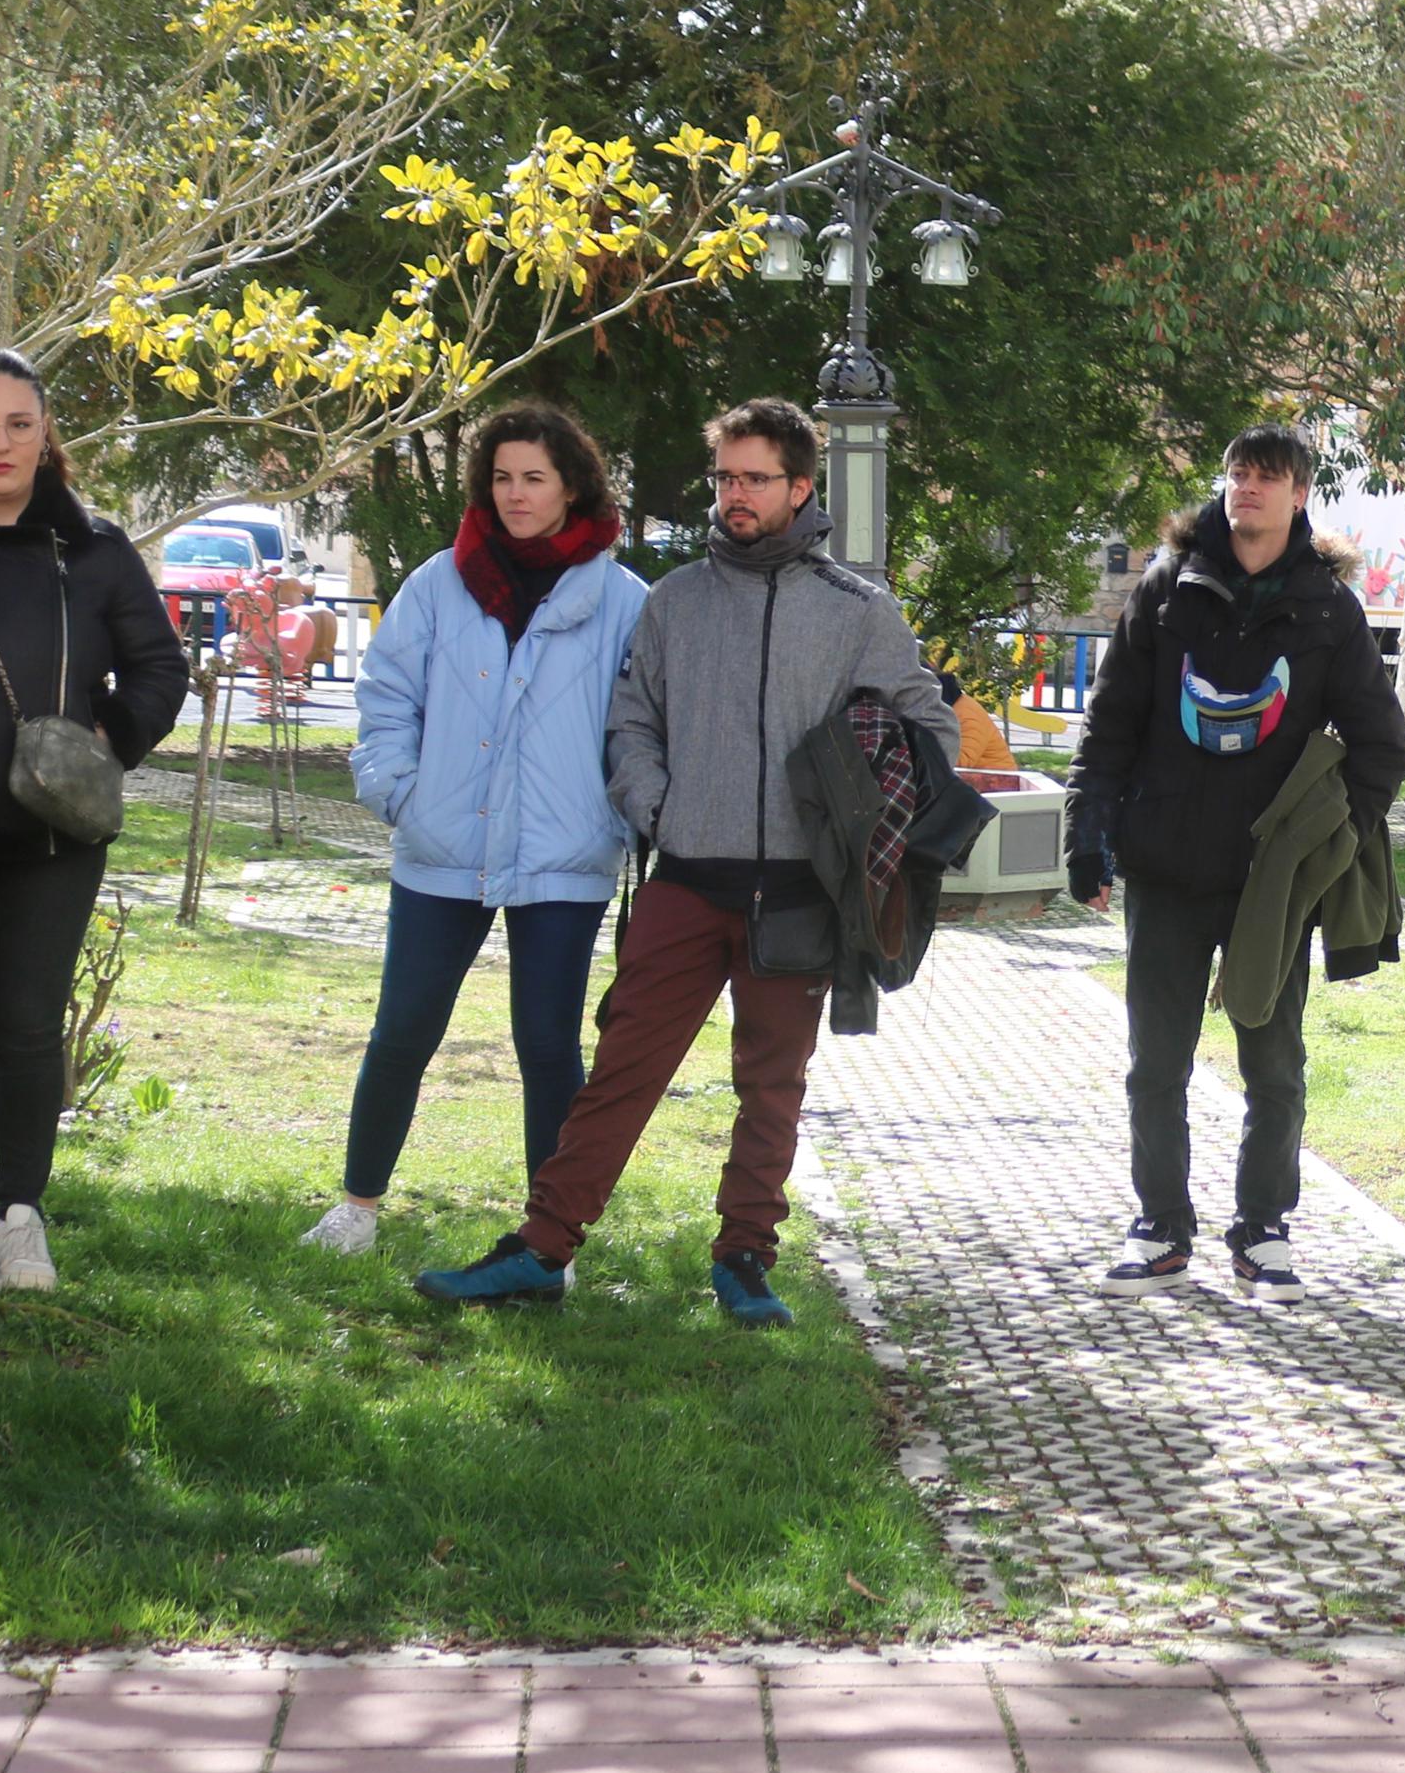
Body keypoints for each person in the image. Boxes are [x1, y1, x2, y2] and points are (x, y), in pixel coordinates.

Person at [414, 399, 952, 1325]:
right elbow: (632, 724)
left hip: (798, 892)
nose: (735, 495)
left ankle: (744, 1258)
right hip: (684, 880)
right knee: (621, 1069)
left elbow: (927, 728)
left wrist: (860, 784)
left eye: (754, 478)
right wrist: (655, 803)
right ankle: (542, 1249)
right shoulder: (676, 601)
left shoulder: (858, 613)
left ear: (799, 488)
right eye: (725, 478)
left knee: (770, 1086)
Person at [1065, 425, 1405, 1297]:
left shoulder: (1329, 609)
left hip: (1270, 888)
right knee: (1156, 1064)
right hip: (1165, 872)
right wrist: (1086, 828)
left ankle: (1263, 1226)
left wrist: (1331, 844)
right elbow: (1108, 723)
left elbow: (1384, 747)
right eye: (1236, 474)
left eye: (1268, 476)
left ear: (1300, 494)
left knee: (1274, 1067)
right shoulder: (1166, 587)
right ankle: (1161, 1226)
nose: (1247, 488)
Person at [307, 402, 646, 1255]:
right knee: (403, 1030)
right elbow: (386, 700)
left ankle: (549, 1240)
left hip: (563, 857)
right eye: (501, 477)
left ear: (573, 484)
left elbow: (643, 725)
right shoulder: (436, 583)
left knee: (546, 1045)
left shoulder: (623, 601)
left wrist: (617, 813)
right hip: (442, 847)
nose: (516, 494)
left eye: (534, 477)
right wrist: (399, 792)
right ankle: (356, 1207)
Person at [0, 347, 187, 1293]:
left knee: (28, 1027)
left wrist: (102, 741)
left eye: (18, 423)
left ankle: (23, 1218)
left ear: (45, 431)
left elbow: (160, 669)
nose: (0, 442)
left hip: (57, 836)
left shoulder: (94, 548)